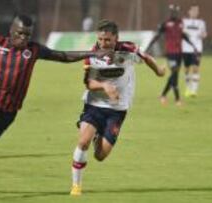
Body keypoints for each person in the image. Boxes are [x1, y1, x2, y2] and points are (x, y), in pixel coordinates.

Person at [0, 14, 111, 197]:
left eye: (28, 35)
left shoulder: (34, 50)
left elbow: (62, 56)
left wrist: (92, 53)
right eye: (20, 33)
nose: (24, 38)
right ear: (11, 31)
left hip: (9, 111)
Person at [69, 20, 165, 196]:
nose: (103, 43)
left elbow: (146, 58)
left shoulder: (128, 50)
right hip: (94, 105)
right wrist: (104, 86)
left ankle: (99, 135)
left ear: (116, 39)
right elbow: (88, 83)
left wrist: (158, 70)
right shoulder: (91, 54)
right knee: (83, 142)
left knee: (100, 156)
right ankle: (76, 186)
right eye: (100, 39)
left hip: (117, 110)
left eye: (107, 40)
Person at [146, 4, 197, 106]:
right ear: (170, 12)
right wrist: (148, 47)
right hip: (170, 53)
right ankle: (177, 99)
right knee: (174, 73)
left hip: (179, 53)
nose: (174, 13)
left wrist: (192, 45)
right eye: (172, 12)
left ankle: (163, 95)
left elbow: (183, 36)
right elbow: (157, 36)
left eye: (176, 12)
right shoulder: (165, 24)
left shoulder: (181, 23)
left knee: (174, 74)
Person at [182, 4, 207, 97]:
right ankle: (188, 88)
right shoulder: (184, 21)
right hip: (185, 48)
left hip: (197, 48)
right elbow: (181, 32)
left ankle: (194, 90)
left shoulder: (201, 22)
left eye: (197, 11)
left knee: (195, 68)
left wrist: (203, 35)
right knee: (186, 69)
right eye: (193, 10)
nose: (195, 12)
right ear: (189, 11)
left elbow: (204, 33)